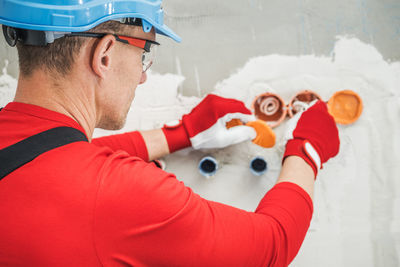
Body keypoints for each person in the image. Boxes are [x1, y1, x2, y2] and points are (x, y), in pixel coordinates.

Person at [0, 1, 339, 266]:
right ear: (104, 54)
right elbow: (271, 246)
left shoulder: (25, 151)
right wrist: (307, 151)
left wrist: (182, 133)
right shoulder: (121, 193)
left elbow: (56, 157)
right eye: (143, 54)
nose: (142, 76)